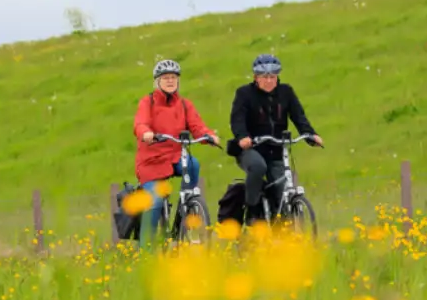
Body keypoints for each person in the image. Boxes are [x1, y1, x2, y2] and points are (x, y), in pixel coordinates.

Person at [123, 59, 217, 241]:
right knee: (155, 203)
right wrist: (146, 133)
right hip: (152, 161)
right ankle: (147, 251)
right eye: (165, 77)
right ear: (157, 81)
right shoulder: (147, 102)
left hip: (175, 156)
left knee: (192, 164)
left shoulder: (184, 104)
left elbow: (197, 126)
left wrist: (209, 135)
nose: (170, 80)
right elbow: (140, 123)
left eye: (173, 77)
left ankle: (188, 203)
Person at [228, 54, 321, 225]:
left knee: (284, 187)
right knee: (258, 167)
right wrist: (242, 137)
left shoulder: (286, 92)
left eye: (272, 76)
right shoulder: (244, 94)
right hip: (251, 149)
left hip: (277, 149)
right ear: (256, 78)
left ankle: (284, 230)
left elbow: (299, 116)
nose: (269, 81)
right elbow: (237, 120)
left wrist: (310, 135)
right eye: (264, 77)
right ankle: (252, 213)